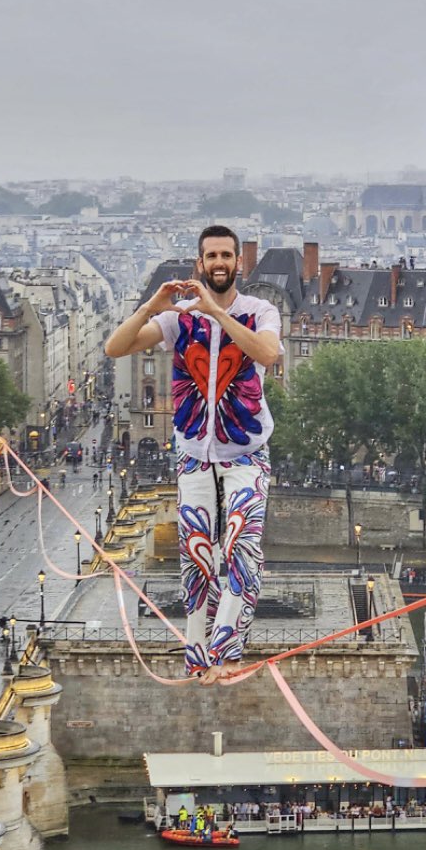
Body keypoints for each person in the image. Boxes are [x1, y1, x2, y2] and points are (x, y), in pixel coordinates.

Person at [105, 225, 281, 685]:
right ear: (199, 264)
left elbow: (268, 353)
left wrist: (217, 314)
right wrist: (153, 306)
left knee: (242, 548)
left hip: (246, 453)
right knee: (197, 558)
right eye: (212, 256)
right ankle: (199, 656)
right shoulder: (178, 320)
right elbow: (115, 347)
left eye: (226, 255)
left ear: (238, 262)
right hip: (194, 455)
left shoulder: (259, 311)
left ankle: (227, 652)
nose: (219, 262)